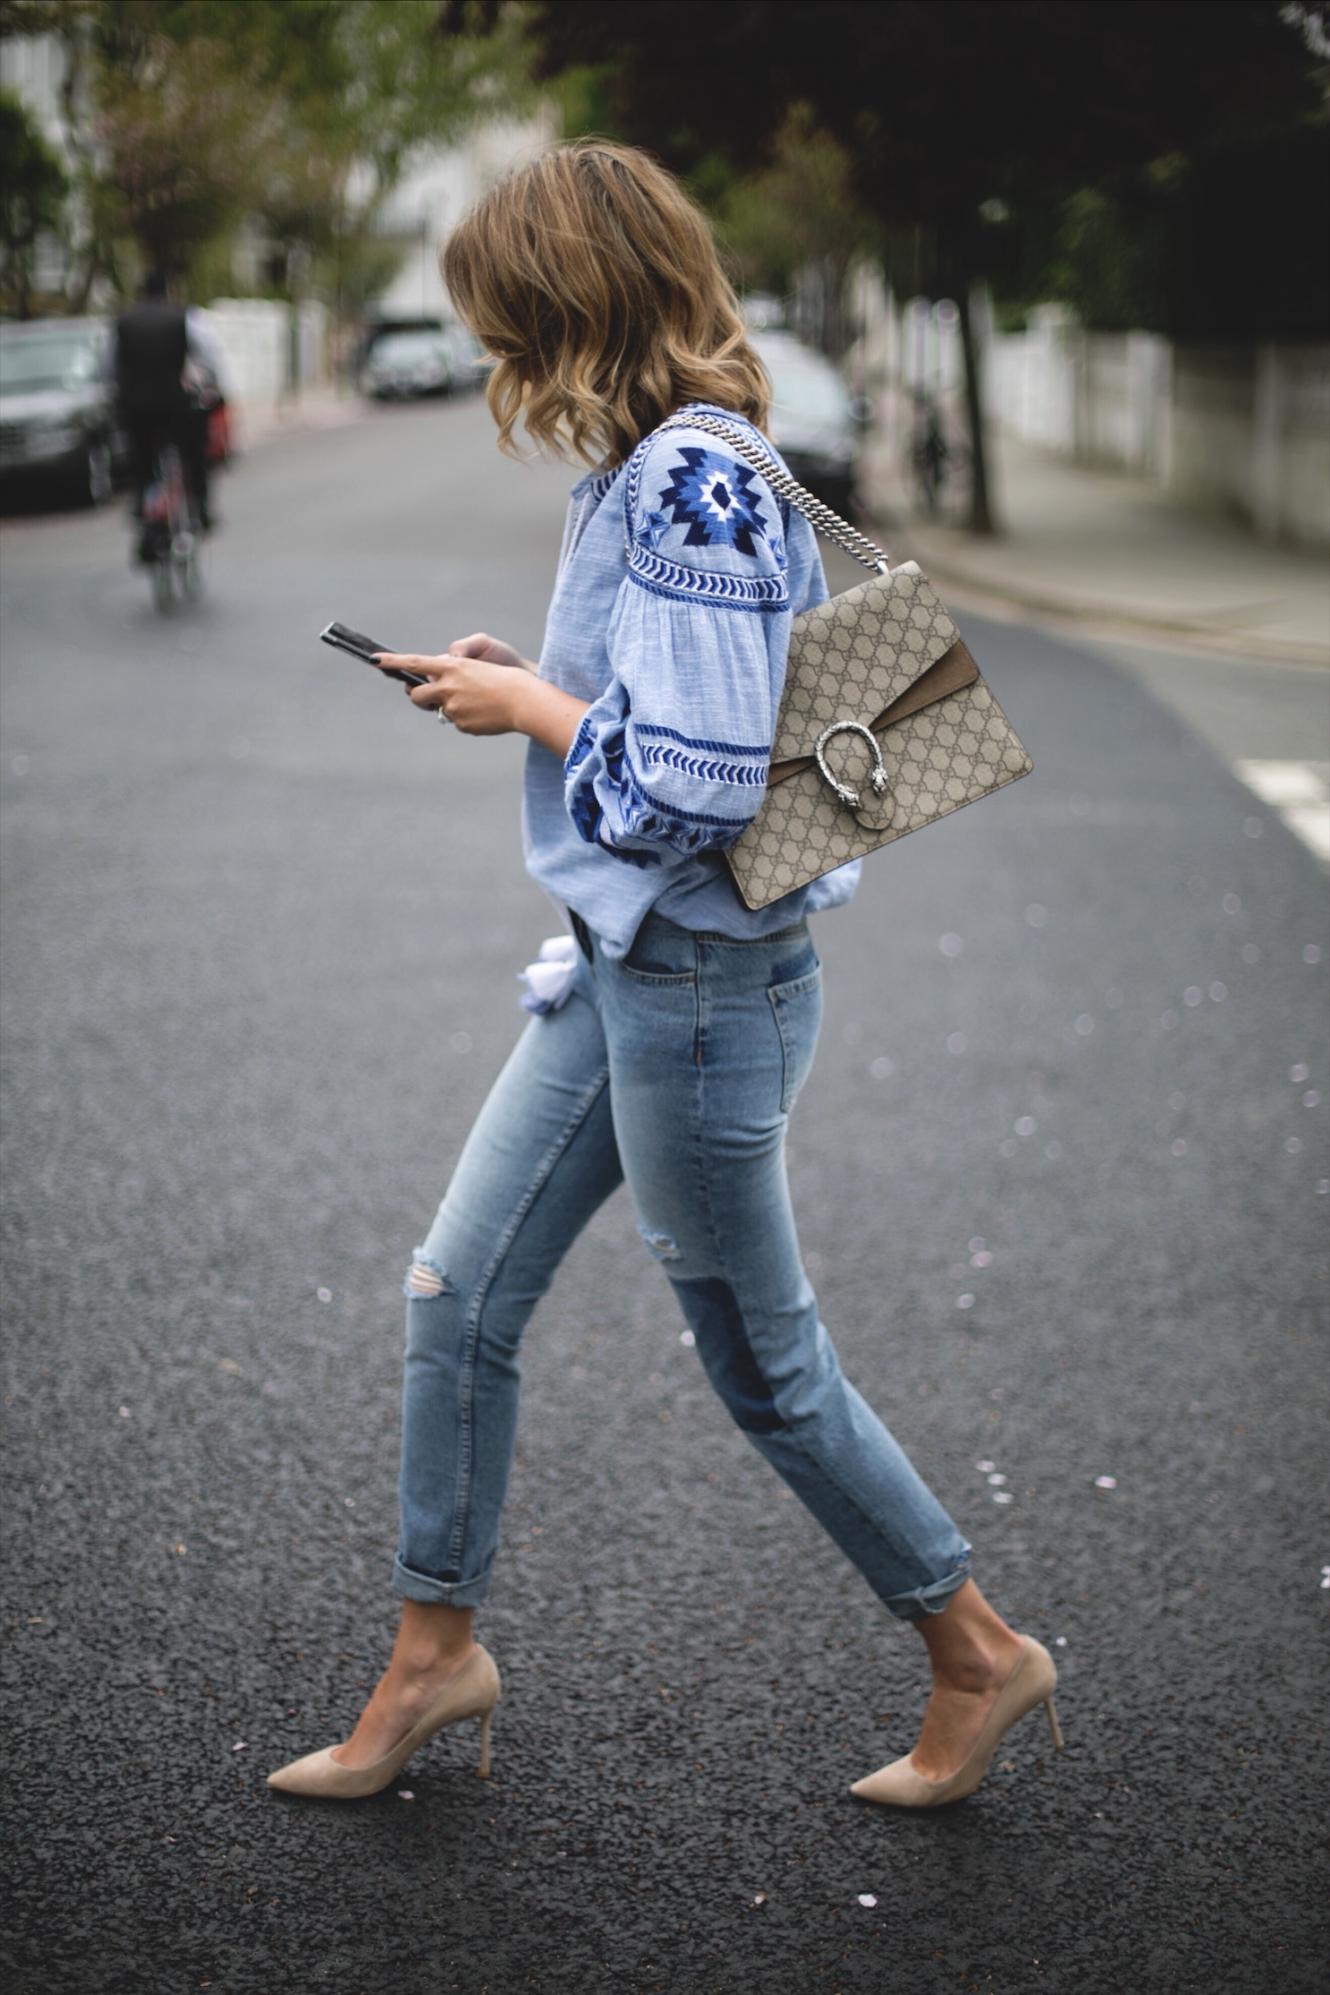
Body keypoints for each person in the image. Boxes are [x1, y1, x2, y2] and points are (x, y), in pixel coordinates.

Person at [266, 141, 1064, 1810]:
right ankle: (433, 1659)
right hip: (634, 969)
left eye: (507, 328)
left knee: (769, 1371)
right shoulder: (671, 468)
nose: (496, 364)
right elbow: (681, 710)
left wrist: (536, 717)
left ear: (574, 310)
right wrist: (536, 671)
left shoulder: (690, 478)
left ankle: (978, 1650)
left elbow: (687, 787)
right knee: (457, 1294)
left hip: (699, 990)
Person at [114, 270, 213, 537]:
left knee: (141, 461)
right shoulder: (185, 317)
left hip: (136, 408)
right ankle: (201, 508)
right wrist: (210, 386)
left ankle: (143, 508)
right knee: (194, 454)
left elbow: (108, 367)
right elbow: (206, 357)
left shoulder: (123, 321)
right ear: (168, 290)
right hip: (175, 405)